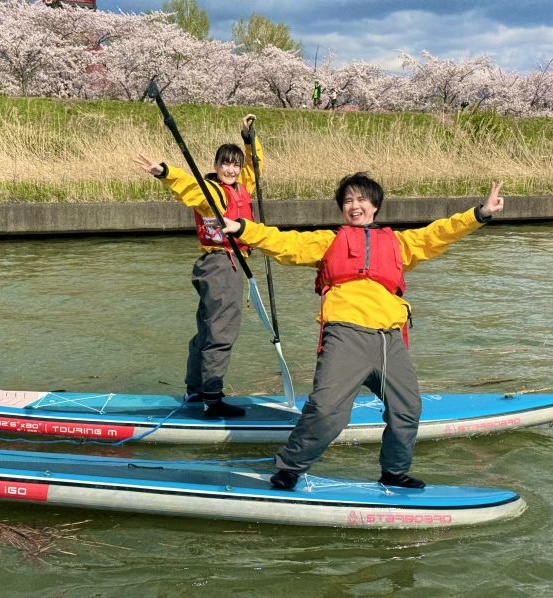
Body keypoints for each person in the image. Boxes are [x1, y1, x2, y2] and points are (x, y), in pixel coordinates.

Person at [222, 174, 505, 488]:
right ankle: (289, 467)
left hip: (390, 339)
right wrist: (243, 228)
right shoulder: (329, 240)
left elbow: (438, 233)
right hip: (346, 334)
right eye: (347, 201)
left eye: (360, 200)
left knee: (407, 408)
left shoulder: (400, 243)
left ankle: (394, 473)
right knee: (328, 411)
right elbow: (286, 242)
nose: (353, 206)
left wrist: (480, 213)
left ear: (375, 206)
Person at [133, 114, 261, 419]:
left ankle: (194, 389)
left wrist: (249, 137)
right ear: (215, 166)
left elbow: (256, 168)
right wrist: (163, 171)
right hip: (220, 264)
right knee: (221, 331)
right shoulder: (211, 191)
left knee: (206, 329)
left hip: (223, 265)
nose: (230, 169)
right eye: (224, 164)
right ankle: (212, 398)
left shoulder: (242, 187)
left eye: (234, 164)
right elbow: (187, 185)